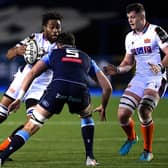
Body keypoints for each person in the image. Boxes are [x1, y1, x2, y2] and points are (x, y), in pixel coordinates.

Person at [0, 32, 112, 166]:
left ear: (58, 45)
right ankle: (90, 158)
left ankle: (2, 157)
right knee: (86, 117)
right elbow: (107, 87)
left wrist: (19, 98)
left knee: (32, 125)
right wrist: (104, 106)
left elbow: (32, 73)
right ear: (74, 45)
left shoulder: (53, 53)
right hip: (79, 91)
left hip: (58, 89)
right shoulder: (87, 58)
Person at [103, 3, 168, 162]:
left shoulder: (156, 31)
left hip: (157, 78)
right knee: (122, 115)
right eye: (128, 18)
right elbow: (128, 62)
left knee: (144, 110)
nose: (130, 21)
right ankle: (132, 138)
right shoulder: (129, 37)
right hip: (139, 78)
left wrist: (160, 66)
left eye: (133, 17)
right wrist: (118, 70)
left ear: (141, 16)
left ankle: (148, 151)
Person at [0, 12, 63, 155]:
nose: (56, 31)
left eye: (58, 27)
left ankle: (2, 149)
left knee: (32, 121)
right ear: (44, 28)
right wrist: (17, 50)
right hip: (23, 78)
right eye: (52, 27)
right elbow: (8, 55)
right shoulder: (34, 39)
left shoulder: (61, 45)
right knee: (1, 113)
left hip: (41, 85)